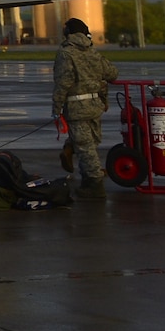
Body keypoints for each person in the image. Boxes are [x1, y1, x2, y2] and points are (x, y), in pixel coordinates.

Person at [53, 16, 119, 198]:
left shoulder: (66, 53)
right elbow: (112, 74)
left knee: (85, 147)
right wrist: (104, 99)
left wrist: (56, 108)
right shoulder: (93, 51)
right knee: (91, 143)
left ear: (68, 33)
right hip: (95, 106)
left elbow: (63, 83)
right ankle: (85, 176)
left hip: (76, 108)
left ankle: (95, 185)